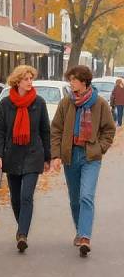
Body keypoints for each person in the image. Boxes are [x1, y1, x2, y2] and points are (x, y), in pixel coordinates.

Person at [51, 65, 115, 257]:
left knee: (86, 196)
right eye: (70, 79)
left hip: (90, 157)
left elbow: (109, 130)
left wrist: (99, 148)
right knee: (75, 198)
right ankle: (80, 231)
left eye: (73, 80)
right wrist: (56, 155)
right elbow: (56, 130)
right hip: (70, 156)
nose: (71, 83)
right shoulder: (65, 103)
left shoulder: (100, 104)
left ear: (84, 81)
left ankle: (85, 237)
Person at [0, 65, 51, 253]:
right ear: (18, 81)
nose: (30, 82)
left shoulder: (39, 103)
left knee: (26, 196)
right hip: (12, 155)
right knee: (16, 198)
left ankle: (23, 234)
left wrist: (48, 157)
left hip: (33, 154)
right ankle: (21, 229)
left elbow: (45, 131)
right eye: (26, 78)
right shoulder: (6, 104)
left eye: (31, 78)